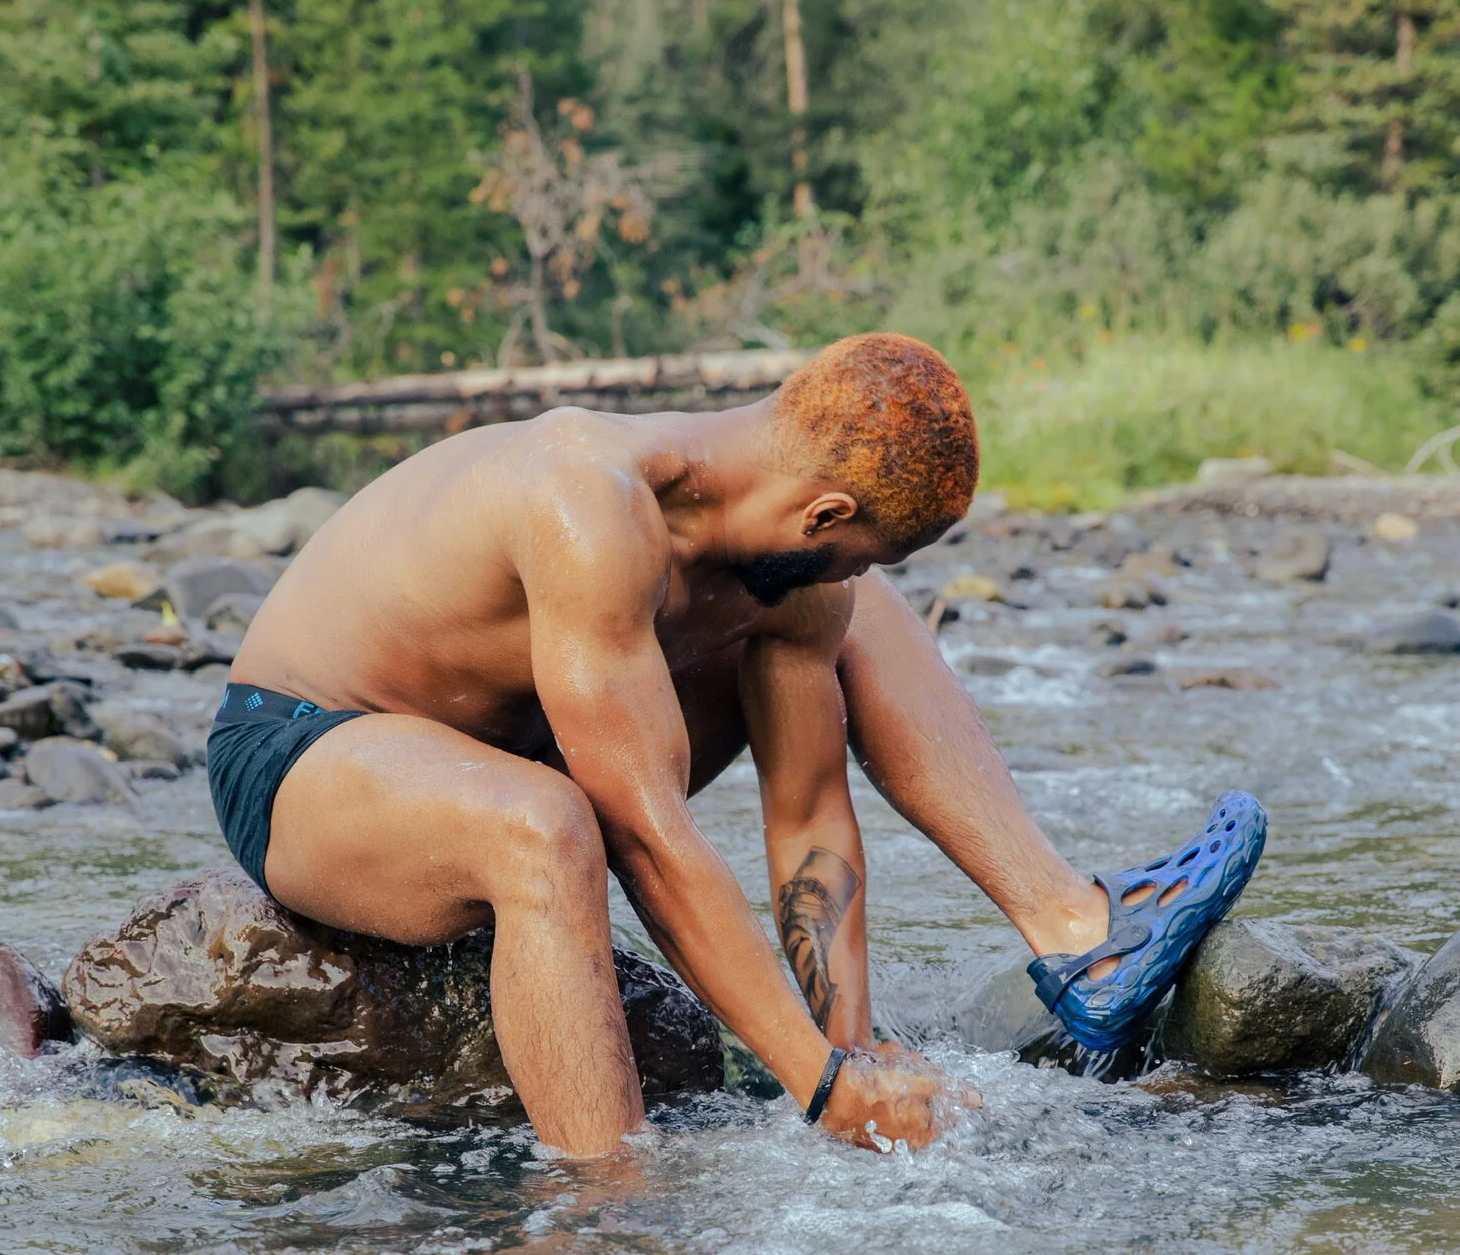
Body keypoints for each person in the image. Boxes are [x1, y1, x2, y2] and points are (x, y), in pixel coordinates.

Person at [209, 333, 1264, 1158]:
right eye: (845, 545)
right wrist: (816, 1088)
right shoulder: (587, 503)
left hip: (505, 740)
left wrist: (853, 1058)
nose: (840, 569)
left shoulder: (780, 531)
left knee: (861, 613)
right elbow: (643, 834)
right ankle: (606, 1203)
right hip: (309, 745)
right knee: (545, 828)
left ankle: (1078, 933)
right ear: (823, 508)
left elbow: (806, 810)